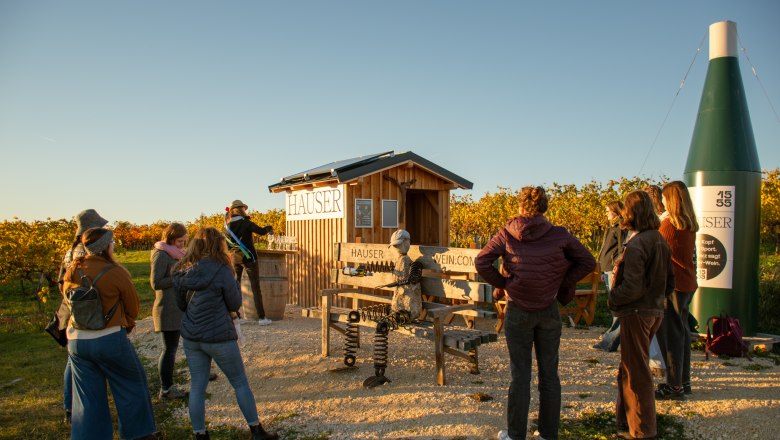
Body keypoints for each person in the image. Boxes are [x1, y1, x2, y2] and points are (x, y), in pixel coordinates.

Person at [475, 186, 595, 440]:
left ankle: (516, 435)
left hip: (518, 309)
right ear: (544, 208)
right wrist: (563, 283)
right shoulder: (559, 235)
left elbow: (482, 261)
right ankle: (548, 434)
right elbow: (587, 261)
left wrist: (503, 284)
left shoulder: (507, 233)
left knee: (520, 375)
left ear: (520, 207)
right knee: (549, 374)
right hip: (549, 309)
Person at [172, 227, 279, 440]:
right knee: (239, 382)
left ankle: (200, 434)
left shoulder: (183, 270)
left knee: (198, 385)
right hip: (219, 334)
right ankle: (256, 430)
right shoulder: (221, 270)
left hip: (193, 336)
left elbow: (181, 304)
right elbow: (235, 302)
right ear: (218, 245)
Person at [62, 227, 158, 440]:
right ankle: (139, 434)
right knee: (131, 385)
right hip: (109, 338)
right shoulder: (115, 272)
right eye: (112, 243)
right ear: (106, 246)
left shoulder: (73, 269)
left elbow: (67, 298)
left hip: (77, 341)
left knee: (86, 397)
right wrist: (126, 322)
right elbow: (132, 307)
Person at [608, 191, 675, 440]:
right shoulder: (659, 239)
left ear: (631, 212)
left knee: (637, 373)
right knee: (628, 368)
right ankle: (624, 420)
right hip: (654, 310)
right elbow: (671, 282)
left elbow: (632, 287)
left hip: (636, 312)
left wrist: (613, 298)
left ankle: (643, 430)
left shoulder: (637, 245)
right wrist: (657, 299)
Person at [55, 208, 109, 425]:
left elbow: (62, 280)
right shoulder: (84, 250)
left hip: (73, 308)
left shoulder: (70, 250)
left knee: (74, 359)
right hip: (86, 309)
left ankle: (70, 406)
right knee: (77, 361)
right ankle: (75, 408)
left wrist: (69, 299)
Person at [655, 181, 699, 400]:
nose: (661, 200)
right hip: (687, 283)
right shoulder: (689, 224)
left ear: (670, 199)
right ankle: (684, 381)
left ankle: (674, 386)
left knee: (671, 337)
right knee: (681, 334)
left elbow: (658, 252)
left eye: (664, 197)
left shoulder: (669, 226)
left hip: (672, 286)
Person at [150, 223, 189, 400]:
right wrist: (178, 276)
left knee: (181, 344)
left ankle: (194, 373)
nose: (182, 244)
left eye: (184, 241)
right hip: (167, 308)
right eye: (180, 241)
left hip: (177, 307)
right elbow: (156, 283)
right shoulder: (161, 254)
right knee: (169, 349)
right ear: (171, 238)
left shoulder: (174, 253)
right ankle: (166, 389)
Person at [225, 200, 274, 325]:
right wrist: (269, 228)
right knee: (255, 287)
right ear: (241, 209)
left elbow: (227, 245)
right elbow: (262, 231)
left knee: (235, 287)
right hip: (249, 258)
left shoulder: (226, 226)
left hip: (235, 258)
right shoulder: (246, 223)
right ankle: (262, 318)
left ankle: (237, 316)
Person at [593, 201, 627, 352]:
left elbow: (622, 249)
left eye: (608, 211)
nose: (606, 213)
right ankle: (611, 339)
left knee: (617, 306)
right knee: (614, 305)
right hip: (607, 270)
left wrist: (614, 268)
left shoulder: (620, 228)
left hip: (613, 270)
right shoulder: (612, 228)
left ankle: (610, 340)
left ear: (616, 211)